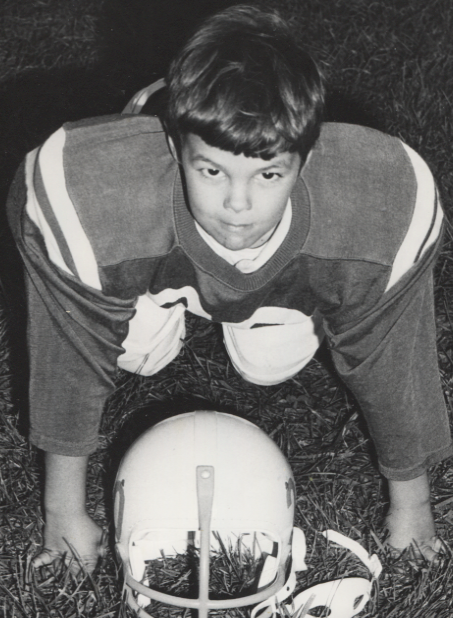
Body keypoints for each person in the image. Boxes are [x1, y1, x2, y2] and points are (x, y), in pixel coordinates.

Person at [7, 4, 451, 573]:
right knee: (138, 350)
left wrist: (412, 507)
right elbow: (68, 358)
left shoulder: (377, 210)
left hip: (280, 274)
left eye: (268, 173)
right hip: (154, 255)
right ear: (173, 150)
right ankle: (158, 302)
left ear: (308, 159)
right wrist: (63, 512)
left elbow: (393, 364)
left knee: (270, 361)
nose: (237, 206)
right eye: (212, 170)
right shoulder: (96, 202)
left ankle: (259, 308)